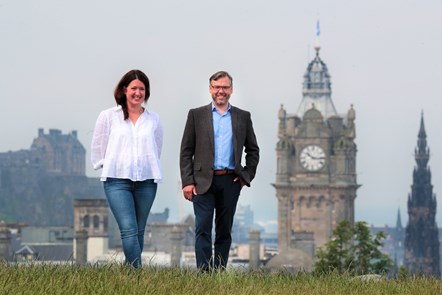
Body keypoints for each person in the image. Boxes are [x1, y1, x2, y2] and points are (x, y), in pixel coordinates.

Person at [179, 70, 260, 271]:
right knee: (203, 228)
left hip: (231, 181)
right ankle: (204, 273)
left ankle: (219, 271)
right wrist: (187, 182)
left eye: (224, 87)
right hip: (202, 181)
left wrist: (246, 176)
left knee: (224, 230)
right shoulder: (196, 115)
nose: (220, 91)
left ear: (231, 90)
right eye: (217, 87)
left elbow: (253, 150)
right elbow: (186, 151)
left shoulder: (242, 116)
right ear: (210, 89)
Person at [91, 69, 163, 268]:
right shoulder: (108, 116)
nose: (138, 93)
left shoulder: (153, 119)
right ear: (124, 90)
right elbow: (98, 146)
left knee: (139, 230)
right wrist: (110, 164)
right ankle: (137, 275)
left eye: (142, 89)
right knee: (129, 229)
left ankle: (131, 274)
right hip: (116, 180)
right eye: (134, 88)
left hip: (147, 182)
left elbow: (156, 149)